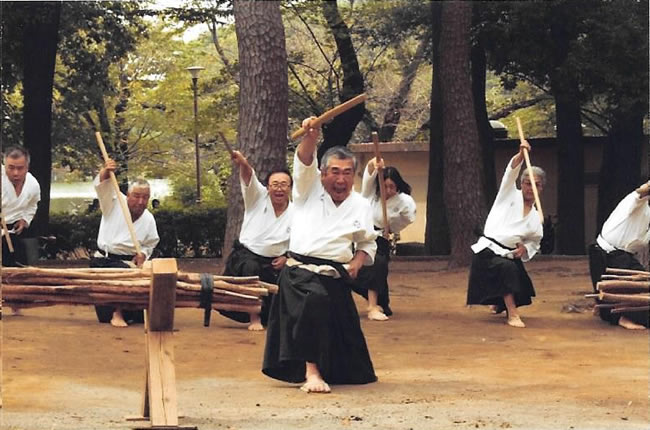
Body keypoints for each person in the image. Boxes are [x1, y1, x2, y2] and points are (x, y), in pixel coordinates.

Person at [262, 117, 378, 394]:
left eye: (347, 173)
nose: (340, 179)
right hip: (300, 273)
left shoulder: (361, 205)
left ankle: (328, 368)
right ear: (323, 173)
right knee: (315, 301)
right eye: (334, 172)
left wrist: (357, 263)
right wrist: (311, 136)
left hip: (335, 274)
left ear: (354, 175)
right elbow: (303, 161)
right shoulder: (307, 192)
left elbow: (367, 242)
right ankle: (311, 372)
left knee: (356, 371)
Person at [466, 140, 545, 328]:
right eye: (527, 183)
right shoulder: (508, 194)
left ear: (541, 188)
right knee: (507, 270)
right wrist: (520, 155)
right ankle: (512, 314)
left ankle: (499, 303)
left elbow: (535, 241)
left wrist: (524, 248)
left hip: (508, 254)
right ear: (521, 183)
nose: (530, 188)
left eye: (536, 184)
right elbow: (510, 174)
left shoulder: (536, 217)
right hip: (488, 250)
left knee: (521, 282)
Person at [219, 150, 293, 331]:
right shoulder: (257, 198)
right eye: (274, 184)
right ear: (267, 187)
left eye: (284, 184)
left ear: (290, 187)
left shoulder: (296, 211)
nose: (279, 188)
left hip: (277, 262)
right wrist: (243, 163)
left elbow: (298, 242)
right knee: (251, 268)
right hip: (247, 257)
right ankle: (254, 317)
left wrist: (287, 258)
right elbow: (248, 176)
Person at [91, 158, 160, 327]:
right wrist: (106, 171)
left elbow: (150, 243)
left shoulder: (149, 219)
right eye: (136, 196)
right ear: (128, 195)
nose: (140, 202)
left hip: (129, 263)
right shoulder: (113, 202)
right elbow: (102, 187)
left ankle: (129, 311)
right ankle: (117, 312)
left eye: (145, 197)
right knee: (122, 275)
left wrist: (143, 254)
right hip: (104, 261)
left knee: (138, 314)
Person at [353, 158, 416, 321]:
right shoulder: (370, 194)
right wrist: (375, 163)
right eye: (385, 186)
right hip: (363, 235)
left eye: (392, 187)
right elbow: (368, 171)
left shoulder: (404, 201)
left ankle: (376, 304)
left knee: (378, 266)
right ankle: (377, 303)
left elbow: (408, 218)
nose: (388, 190)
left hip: (381, 238)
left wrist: (393, 226)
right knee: (358, 270)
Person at [588, 181, 649, 330]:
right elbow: (640, 192)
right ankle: (621, 316)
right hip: (607, 257)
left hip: (623, 258)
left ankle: (604, 307)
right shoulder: (636, 201)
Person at [2, 146, 41, 315]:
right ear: (4, 165)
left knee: (15, 269)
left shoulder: (33, 184)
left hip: (11, 231)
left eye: (20, 168)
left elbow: (33, 204)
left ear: (27, 167)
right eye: (11, 168)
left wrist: (25, 219)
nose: (15, 173)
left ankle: (15, 303)